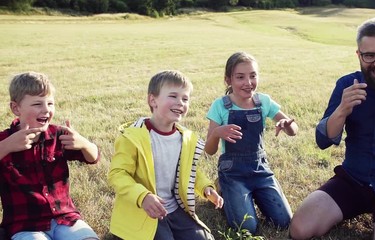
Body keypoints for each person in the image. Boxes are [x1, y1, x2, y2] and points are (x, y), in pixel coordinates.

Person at [289, 16, 375, 240]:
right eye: (369, 55)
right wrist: (342, 110)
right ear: (359, 55)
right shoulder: (347, 84)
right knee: (300, 229)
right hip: (352, 180)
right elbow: (323, 139)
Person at [108, 70, 223, 240]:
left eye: (185, 99)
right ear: (152, 100)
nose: (180, 103)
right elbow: (117, 174)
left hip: (174, 209)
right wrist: (143, 196)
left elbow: (190, 171)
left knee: (204, 238)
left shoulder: (184, 138)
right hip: (144, 211)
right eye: (173, 96)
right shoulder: (133, 138)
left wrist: (206, 188)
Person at [205, 51, 298, 234]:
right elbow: (209, 150)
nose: (248, 83)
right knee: (247, 228)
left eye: (253, 76)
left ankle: (253, 194)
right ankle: (224, 187)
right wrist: (216, 133)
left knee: (284, 221)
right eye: (240, 77)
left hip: (260, 170)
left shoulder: (263, 101)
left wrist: (287, 125)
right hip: (233, 172)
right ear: (228, 80)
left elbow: (293, 131)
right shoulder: (220, 106)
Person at [0, 71, 100, 240]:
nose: (46, 110)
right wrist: (7, 146)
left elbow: (94, 158)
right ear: (16, 108)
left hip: (65, 218)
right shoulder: (4, 140)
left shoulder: (58, 135)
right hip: (25, 225)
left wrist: (84, 143)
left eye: (50, 103)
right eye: (37, 104)